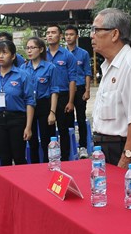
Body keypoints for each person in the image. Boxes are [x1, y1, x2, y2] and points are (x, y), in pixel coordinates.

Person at [90, 8, 131, 168]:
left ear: (114, 34)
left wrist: (126, 158)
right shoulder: (107, 65)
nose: (92, 35)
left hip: (120, 149)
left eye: (96, 30)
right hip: (103, 148)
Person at [0, 40, 36, 166]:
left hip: (17, 119)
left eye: (4, 53)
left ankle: (22, 179)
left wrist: (28, 127)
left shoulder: (23, 75)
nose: (1, 56)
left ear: (13, 56)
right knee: (4, 158)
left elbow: (30, 101)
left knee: (19, 157)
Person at [21, 36, 60, 163]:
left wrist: (52, 112)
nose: (29, 51)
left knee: (46, 140)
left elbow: (54, 91)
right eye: (27, 48)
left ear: (41, 49)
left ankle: (49, 165)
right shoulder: (23, 68)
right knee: (31, 141)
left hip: (44, 105)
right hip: (28, 106)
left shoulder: (50, 67)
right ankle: (35, 167)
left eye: (33, 48)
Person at [45, 24, 77, 161]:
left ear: (60, 36)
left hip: (63, 96)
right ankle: (50, 159)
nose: (50, 35)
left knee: (63, 130)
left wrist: (71, 101)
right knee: (48, 130)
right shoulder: (42, 55)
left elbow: (72, 79)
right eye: (48, 33)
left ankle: (65, 159)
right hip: (47, 97)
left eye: (53, 32)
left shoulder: (68, 56)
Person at [64, 24, 93, 158]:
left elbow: (87, 73)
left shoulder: (83, 53)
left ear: (77, 36)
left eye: (71, 34)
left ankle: (83, 147)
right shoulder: (62, 54)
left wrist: (87, 90)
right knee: (68, 119)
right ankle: (70, 147)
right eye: (66, 35)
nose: (68, 37)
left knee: (81, 118)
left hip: (80, 88)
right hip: (67, 90)